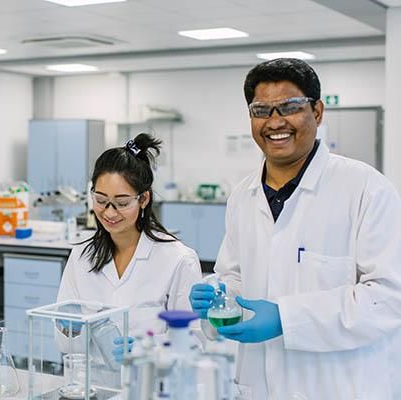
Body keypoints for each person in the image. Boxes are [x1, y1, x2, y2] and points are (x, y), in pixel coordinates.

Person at [189, 58, 401, 399]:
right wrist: (218, 294)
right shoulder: (244, 196)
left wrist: (287, 318)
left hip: (339, 386)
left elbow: (388, 299)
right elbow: (237, 276)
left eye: (289, 107)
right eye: (261, 110)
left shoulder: (366, 189)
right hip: (260, 385)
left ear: (317, 112)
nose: (275, 122)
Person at [56, 133, 203, 363]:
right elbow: (66, 347)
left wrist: (149, 348)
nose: (109, 212)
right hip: (95, 387)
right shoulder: (81, 256)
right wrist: (69, 329)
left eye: (122, 203)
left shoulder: (178, 259)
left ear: (143, 199)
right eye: (101, 200)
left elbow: (195, 342)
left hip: (151, 386)